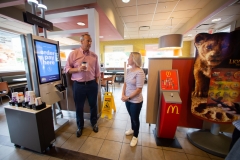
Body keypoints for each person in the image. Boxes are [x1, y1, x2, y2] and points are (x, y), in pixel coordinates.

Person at [65, 34, 100, 137]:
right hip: (78, 85)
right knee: (79, 107)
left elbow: (98, 72)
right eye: (88, 41)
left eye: (90, 41)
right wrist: (78, 69)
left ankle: (94, 123)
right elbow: (67, 69)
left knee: (93, 105)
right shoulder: (73, 54)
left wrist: (96, 83)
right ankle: (80, 126)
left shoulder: (94, 56)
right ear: (81, 41)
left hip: (91, 84)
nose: (90, 43)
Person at [121, 52, 145, 147]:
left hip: (135, 101)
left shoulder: (140, 72)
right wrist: (123, 94)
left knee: (135, 119)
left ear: (134, 59)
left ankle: (135, 136)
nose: (128, 59)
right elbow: (125, 83)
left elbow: (139, 89)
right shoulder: (129, 70)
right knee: (131, 116)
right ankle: (132, 129)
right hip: (128, 100)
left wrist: (128, 97)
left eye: (129, 57)